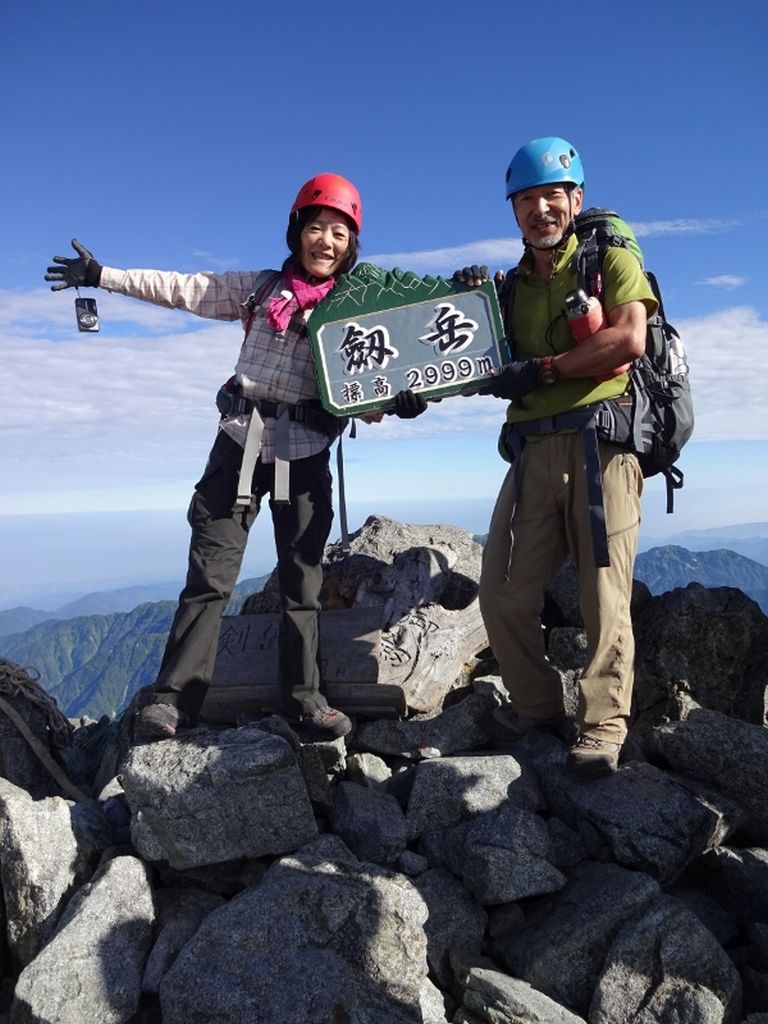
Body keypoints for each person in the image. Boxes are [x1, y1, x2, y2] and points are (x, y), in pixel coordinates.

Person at [46, 173, 427, 742]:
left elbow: (370, 396)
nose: (326, 242)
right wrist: (104, 277)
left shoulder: (354, 318)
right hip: (238, 446)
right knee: (209, 577)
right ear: (297, 232)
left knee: (303, 583)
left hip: (304, 456)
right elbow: (183, 288)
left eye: (340, 235)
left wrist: (404, 401)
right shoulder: (260, 290)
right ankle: (173, 699)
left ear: (352, 247)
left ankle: (304, 699)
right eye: (317, 228)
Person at [463, 138, 657, 775]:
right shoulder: (510, 287)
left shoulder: (610, 255)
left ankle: (602, 725)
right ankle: (540, 708)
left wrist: (544, 369)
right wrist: (462, 311)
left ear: (575, 199)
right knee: (502, 594)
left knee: (604, 596)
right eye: (527, 200)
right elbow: (471, 361)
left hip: (600, 445)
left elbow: (627, 338)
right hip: (530, 452)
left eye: (554, 196)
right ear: (513, 211)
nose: (541, 209)